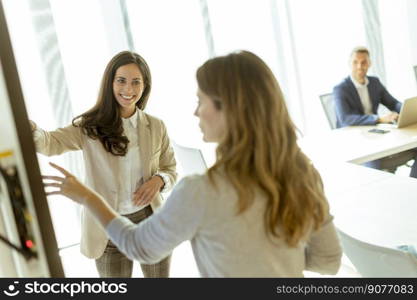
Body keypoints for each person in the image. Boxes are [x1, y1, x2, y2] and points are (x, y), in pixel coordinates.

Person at [43, 50, 342, 277]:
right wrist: (272, 256)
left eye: (202, 101)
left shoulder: (200, 191)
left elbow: (137, 246)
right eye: (122, 80)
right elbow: (328, 261)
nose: (196, 112)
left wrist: (84, 195)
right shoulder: (303, 173)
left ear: (230, 110)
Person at [31, 51, 177, 277]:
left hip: (150, 221)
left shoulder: (156, 126)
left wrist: (159, 180)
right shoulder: (90, 126)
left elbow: (170, 169)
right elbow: (50, 143)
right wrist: (26, 126)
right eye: (121, 81)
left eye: (135, 82)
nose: (128, 90)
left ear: (145, 86)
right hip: (107, 225)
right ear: (110, 83)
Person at [333, 46, 417, 177]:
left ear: (369, 63)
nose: (360, 66)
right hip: (354, 138)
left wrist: (407, 110)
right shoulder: (340, 88)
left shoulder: (374, 82)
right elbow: (345, 119)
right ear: (350, 64)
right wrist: (378, 119)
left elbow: (392, 103)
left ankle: (413, 186)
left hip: (375, 135)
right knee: (375, 162)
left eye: (364, 62)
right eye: (355, 62)